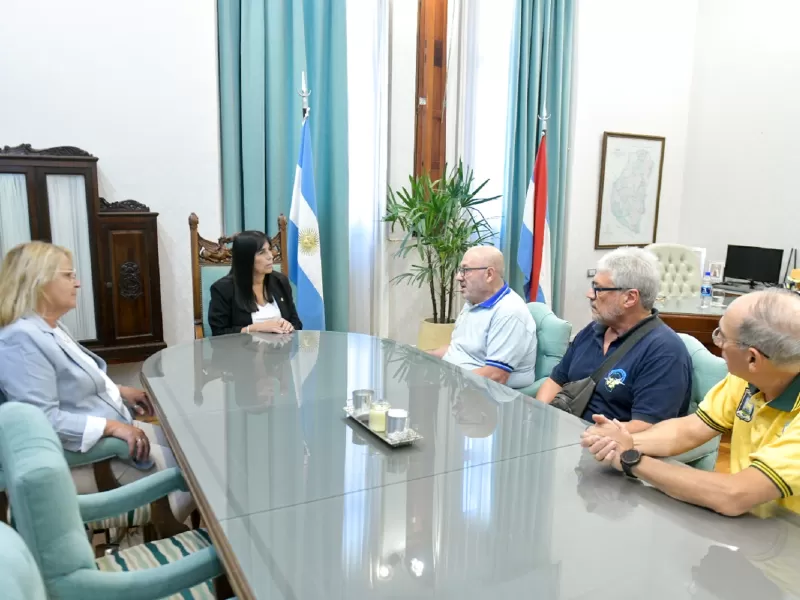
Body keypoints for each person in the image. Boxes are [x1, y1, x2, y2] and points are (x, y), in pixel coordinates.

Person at [0, 241, 192, 523]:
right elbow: (42, 421)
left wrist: (119, 391)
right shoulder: (21, 339)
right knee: (197, 478)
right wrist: (112, 427)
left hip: (115, 433)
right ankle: (172, 539)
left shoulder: (49, 326)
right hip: (88, 456)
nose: (76, 284)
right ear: (39, 281)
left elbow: (71, 383)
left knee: (193, 453)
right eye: (68, 275)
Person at [582, 289, 800, 518]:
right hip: (754, 529)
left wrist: (631, 460)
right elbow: (690, 430)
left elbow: (734, 495)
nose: (718, 343)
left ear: (753, 358)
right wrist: (615, 441)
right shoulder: (748, 379)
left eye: (722, 337)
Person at [536, 247, 692, 431]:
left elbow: (647, 427)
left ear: (630, 298)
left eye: (598, 289)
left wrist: (588, 437)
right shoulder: (592, 330)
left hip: (608, 450)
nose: (589, 294)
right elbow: (555, 381)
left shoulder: (665, 351)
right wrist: (540, 419)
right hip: (566, 436)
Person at [429, 246, 537, 389]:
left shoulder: (509, 312)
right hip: (456, 382)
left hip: (483, 396)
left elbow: (495, 376)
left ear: (489, 274)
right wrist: (418, 357)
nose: (458, 277)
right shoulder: (474, 302)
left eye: (465, 270)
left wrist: (446, 383)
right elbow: (457, 349)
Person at [207, 230, 302, 336]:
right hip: (242, 351)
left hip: (281, 350)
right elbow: (218, 333)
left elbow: (297, 323)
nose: (270, 256)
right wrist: (254, 328)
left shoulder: (280, 281)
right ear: (245, 258)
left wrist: (289, 326)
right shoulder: (223, 289)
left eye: (269, 250)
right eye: (262, 252)